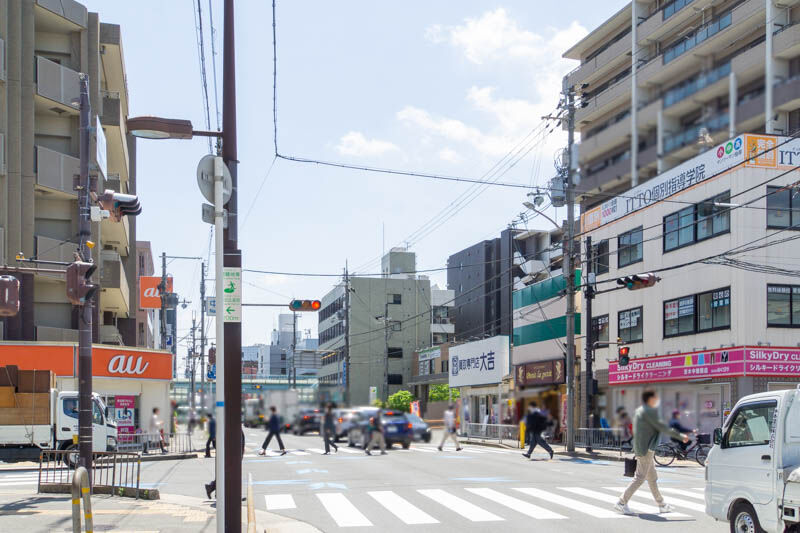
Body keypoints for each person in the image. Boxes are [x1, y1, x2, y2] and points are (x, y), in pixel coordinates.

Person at [615, 390, 689, 515]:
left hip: (642, 448)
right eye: (655, 398)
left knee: (652, 478)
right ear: (650, 399)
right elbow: (663, 427)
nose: (657, 399)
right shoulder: (649, 412)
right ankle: (621, 502)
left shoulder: (640, 411)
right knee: (639, 478)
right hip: (646, 450)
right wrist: (681, 436)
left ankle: (661, 504)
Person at [205, 428, 246, 500]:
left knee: (227, 474)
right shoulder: (229, 426)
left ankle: (213, 489)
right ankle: (232, 495)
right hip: (232, 454)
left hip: (231, 454)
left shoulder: (231, 426)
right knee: (231, 475)